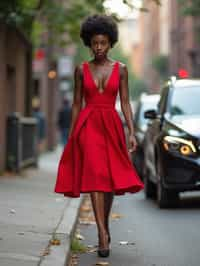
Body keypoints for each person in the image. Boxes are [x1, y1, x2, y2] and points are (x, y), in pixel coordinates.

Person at [54, 14, 144, 258]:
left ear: (110, 42)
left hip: (112, 126)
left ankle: (103, 222)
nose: (99, 48)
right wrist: (72, 133)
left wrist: (132, 132)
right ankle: (103, 234)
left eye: (103, 43)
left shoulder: (121, 70)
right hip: (88, 125)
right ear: (89, 42)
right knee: (95, 177)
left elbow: (125, 102)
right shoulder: (81, 70)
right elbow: (75, 104)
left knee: (110, 181)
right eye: (94, 43)